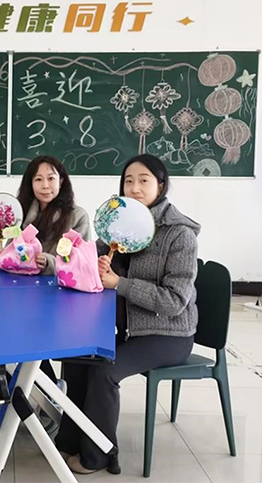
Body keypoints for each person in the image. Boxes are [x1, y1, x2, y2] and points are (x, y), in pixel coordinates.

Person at [55, 154, 200, 475]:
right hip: (128, 329)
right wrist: (94, 263)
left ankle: (98, 455)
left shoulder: (180, 235)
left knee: (105, 371)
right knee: (78, 359)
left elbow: (175, 301)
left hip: (169, 335)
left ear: (160, 185)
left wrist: (119, 283)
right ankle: (69, 441)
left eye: (144, 181)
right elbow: (95, 267)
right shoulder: (119, 224)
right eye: (128, 181)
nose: (135, 188)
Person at [0, 155, 91, 273]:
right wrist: (0, 256)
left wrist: (49, 263)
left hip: (58, 285)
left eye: (51, 178)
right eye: (38, 179)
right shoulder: (21, 213)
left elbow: (82, 262)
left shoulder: (78, 216)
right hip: (19, 281)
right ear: (31, 184)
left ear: (61, 181)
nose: (45, 185)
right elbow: (12, 251)